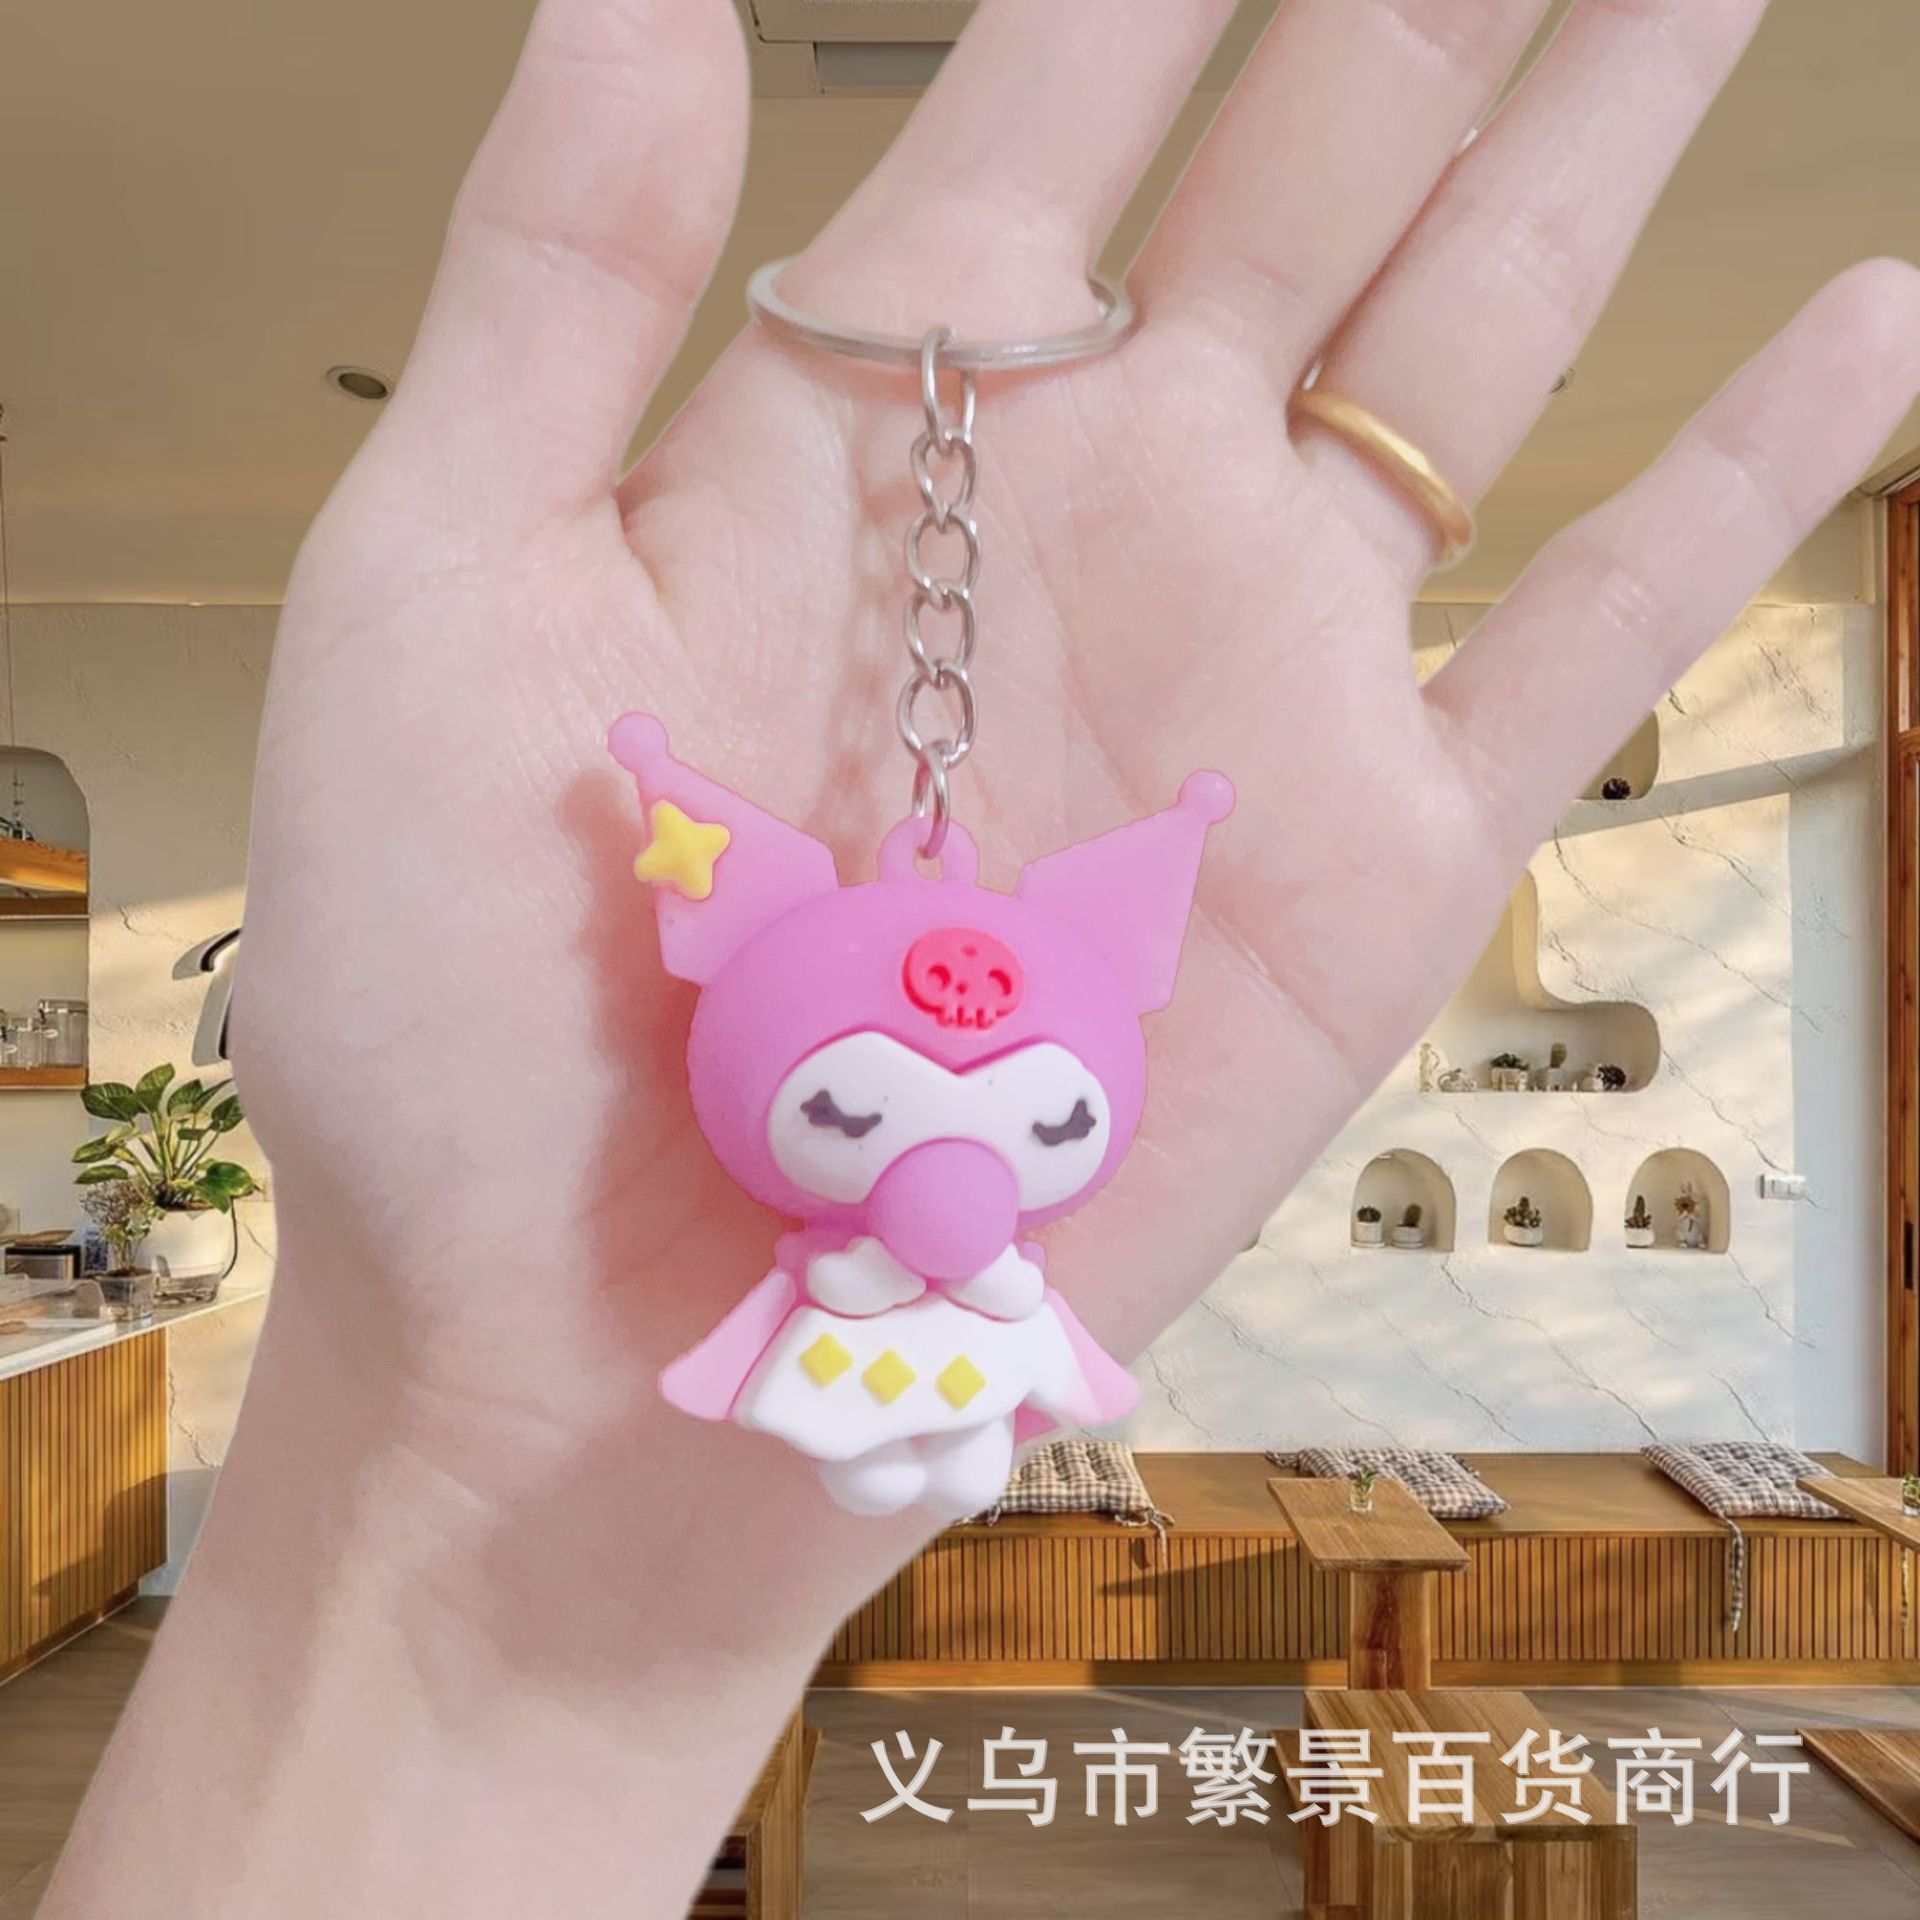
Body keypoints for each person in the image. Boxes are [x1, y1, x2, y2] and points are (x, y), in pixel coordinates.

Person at [38, 2, 1920, 1914]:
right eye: (859, 1108)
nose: (949, 1160)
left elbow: (1045, 1343)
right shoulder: (816, 1133)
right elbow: (791, 1342)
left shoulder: (1004, 1137)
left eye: (1021, 1116)